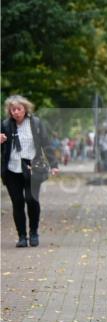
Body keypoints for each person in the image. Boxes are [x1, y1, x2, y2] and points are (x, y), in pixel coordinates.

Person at [1, 95, 59, 247]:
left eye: (18, 109)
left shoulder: (36, 123)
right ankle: (21, 236)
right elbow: (3, 149)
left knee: (31, 200)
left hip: (32, 167)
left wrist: (54, 164)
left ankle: (34, 232)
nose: (15, 112)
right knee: (18, 203)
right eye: (12, 109)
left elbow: (46, 143)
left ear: (25, 109)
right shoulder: (5, 125)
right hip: (12, 169)